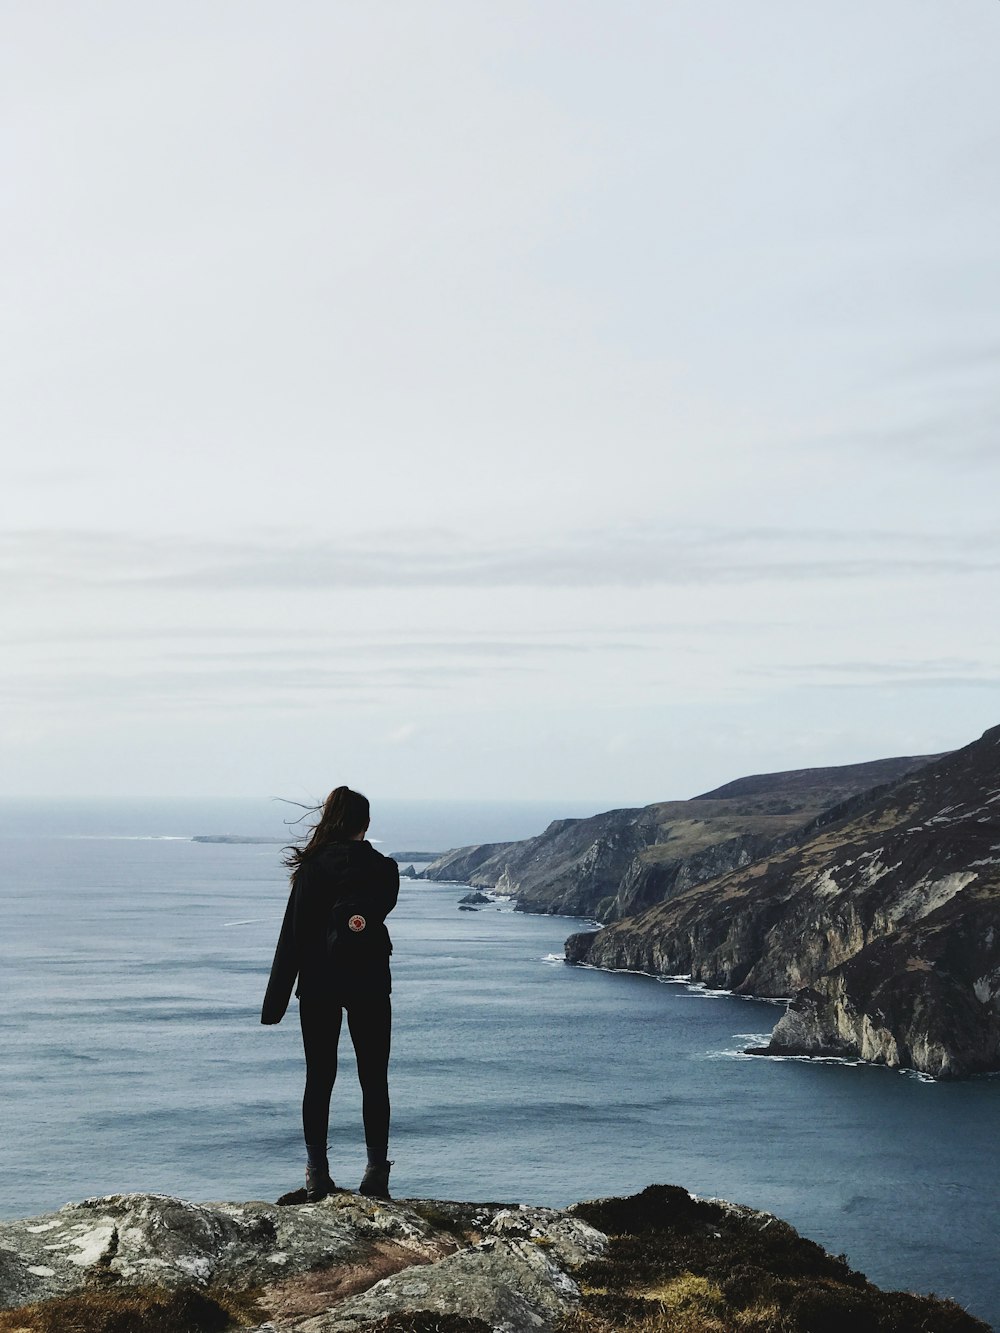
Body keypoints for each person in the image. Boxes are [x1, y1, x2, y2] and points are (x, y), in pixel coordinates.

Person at [261, 786, 399, 1202]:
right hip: (371, 981)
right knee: (373, 1079)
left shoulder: (312, 870)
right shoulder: (386, 870)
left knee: (319, 1079)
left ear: (329, 820)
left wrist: (275, 1004)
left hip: (320, 983)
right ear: (366, 824)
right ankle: (376, 1174)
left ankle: (317, 1176)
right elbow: (377, 911)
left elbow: (293, 937)